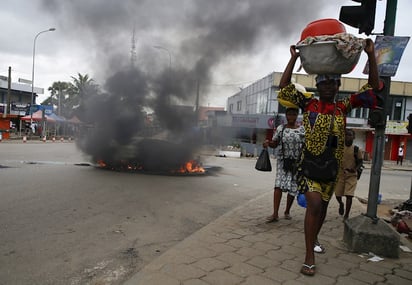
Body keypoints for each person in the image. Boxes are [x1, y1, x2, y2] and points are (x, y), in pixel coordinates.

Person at [277, 38, 380, 276]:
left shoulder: (343, 108)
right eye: (325, 84)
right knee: (313, 205)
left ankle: (314, 238)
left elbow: (373, 87)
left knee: (322, 210)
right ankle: (309, 255)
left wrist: (370, 55)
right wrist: (293, 58)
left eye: (334, 84)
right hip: (309, 165)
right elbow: (284, 86)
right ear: (318, 86)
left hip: (331, 169)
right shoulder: (308, 104)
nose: (329, 88)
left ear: (337, 86)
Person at [264, 107, 305, 223]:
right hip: (282, 162)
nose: (291, 117)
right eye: (289, 114)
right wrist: (268, 143)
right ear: (286, 116)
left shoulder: (302, 130)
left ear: (297, 115)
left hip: (296, 163)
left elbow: (305, 147)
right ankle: (275, 214)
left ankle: (287, 211)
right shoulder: (281, 129)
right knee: (278, 186)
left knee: (293, 187)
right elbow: (275, 143)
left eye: (294, 114)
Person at [335, 129, 363, 220]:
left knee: (349, 195)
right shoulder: (339, 148)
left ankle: (346, 215)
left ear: (354, 137)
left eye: (350, 135)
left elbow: (360, 162)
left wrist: (354, 169)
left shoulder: (356, 149)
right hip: (340, 175)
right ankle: (341, 204)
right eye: (346, 135)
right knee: (338, 195)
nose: (347, 137)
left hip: (351, 175)